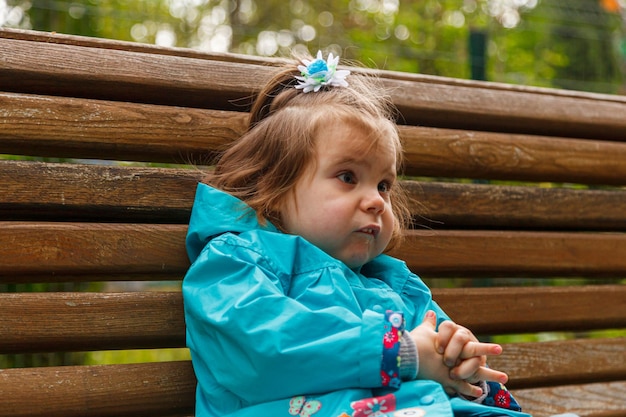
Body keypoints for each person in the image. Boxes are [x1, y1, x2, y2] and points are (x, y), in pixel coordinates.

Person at [182, 50, 527, 417]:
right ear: (275, 187)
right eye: (348, 177)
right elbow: (264, 350)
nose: (376, 201)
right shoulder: (236, 263)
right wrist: (402, 352)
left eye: (383, 185)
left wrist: (463, 368)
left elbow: (442, 356)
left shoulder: (395, 285)